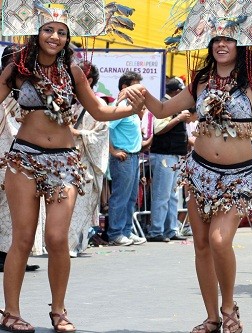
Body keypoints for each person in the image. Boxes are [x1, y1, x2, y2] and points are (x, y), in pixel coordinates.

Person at [123, 3, 252, 331]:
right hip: (199, 172)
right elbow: (164, 109)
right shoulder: (201, 81)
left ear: (241, 45)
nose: (222, 44)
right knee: (203, 244)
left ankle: (228, 308)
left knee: (220, 241)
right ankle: (211, 317)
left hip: (237, 178)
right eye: (216, 39)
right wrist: (141, 93)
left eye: (229, 39)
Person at [0, 3, 144, 332]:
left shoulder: (73, 72)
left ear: (68, 38)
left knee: (56, 238)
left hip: (64, 162)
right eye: (48, 29)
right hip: (24, 159)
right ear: (36, 32)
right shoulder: (18, 69)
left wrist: (127, 107)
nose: (54, 36)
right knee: (21, 239)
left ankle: (59, 310)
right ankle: (11, 311)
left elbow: (100, 111)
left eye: (61, 32)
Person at [0, 45, 41, 273]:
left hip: (22, 154)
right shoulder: (6, 87)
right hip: (10, 153)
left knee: (17, 212)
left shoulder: (26, 88)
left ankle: (12, 256)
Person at [66, 60, 110, 257]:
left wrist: (77, 133)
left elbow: (100, 134)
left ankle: (73, 244)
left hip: (86, 162)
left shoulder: (97, 103)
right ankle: (70, 244)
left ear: (88, 80)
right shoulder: (69, 101)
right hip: (67, 159)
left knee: (80, 206)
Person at [107, 71, 148, 246]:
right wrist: (113, 150)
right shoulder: (121, 105)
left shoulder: (132, 107)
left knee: (131, 198)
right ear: (125, 87)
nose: (139, 89)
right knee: (120, 197)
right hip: (123, 158)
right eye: (135, 85)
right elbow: (106, 128)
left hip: (134, 157)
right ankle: (115, 233)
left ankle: (126, 231)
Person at [146, 77, 189, 242]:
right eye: (181, 91)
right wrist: (178, 118)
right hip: (164, 155)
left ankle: (171, 230)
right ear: (176, 92)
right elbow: (158, 129)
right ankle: (156, 230)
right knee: (162, 195)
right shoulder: (165, 105)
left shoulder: (174, 106)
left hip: (174, 155)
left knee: (173, 196)